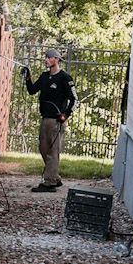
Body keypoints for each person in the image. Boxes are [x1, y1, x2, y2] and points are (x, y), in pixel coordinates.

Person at [23, 48, 76, 191]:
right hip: (45, 118)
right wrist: (27, 77)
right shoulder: (45, 77)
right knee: (43, 149)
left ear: (57, 59)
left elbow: (74, 99)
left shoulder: (65, 78)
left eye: (49, 57)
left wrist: (66, 114)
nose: (46, 60)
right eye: (46, 57)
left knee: (53, 152)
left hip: (56, 121)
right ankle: (55, 177)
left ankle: (49, 183)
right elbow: (32, 90)